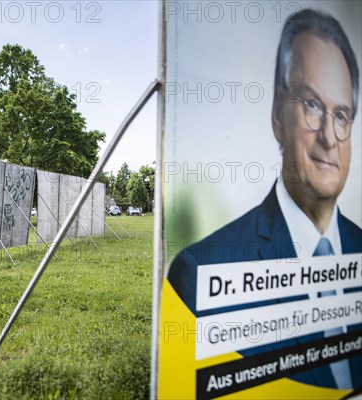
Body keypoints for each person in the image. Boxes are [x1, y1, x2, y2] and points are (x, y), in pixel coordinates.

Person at [167, 8, 361, 391]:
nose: (328, 137)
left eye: (341, 115)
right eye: (311, 105)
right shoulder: (199, 272)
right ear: (276, 114)